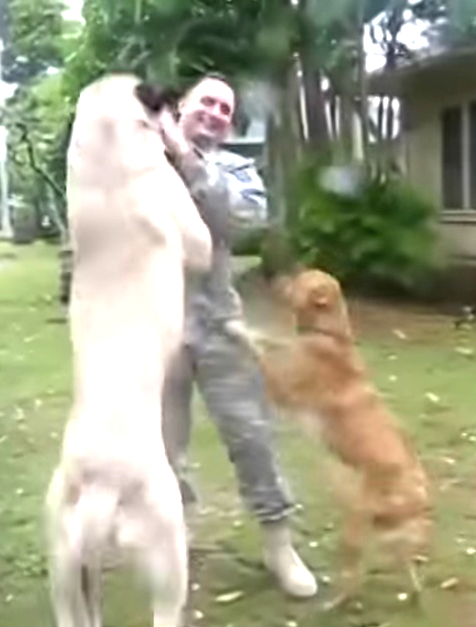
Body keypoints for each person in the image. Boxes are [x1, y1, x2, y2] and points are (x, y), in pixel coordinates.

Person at [154, 74, 318, 598]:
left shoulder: (238, 170)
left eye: (226, 108)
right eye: (206, 100)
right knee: (163, 446)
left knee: (252, 436)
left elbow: (237, 219)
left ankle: (279, 545)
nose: (217, 112)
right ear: (180, 106)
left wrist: (181, 152)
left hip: (218, 321)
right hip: (153, 323)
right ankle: (175, 535)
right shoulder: (139, 161)